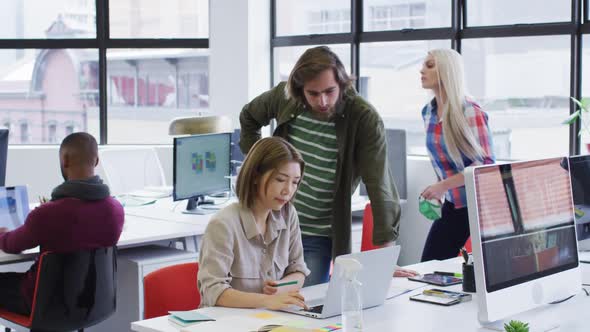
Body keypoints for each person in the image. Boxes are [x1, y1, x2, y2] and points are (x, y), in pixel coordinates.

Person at [239, 46, 413, 285]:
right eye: (313, 93)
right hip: (271, 222)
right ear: (300, 90)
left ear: (341, 83)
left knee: (305, 304)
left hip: (317, 233)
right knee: (260, 300)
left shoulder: (363, 117)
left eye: (329, 91)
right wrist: (258, 166)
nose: (322, 101)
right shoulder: (285, 97)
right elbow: (249, 117)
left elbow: (379, 181)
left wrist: (386, 253)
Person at [0, 132, 124, 315]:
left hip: (42, 302)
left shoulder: (47, 214)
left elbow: (12, 245)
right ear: (96, 160)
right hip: (90, 304)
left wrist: (2, 233)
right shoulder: (116, 210)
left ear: (64, 159)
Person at [198, 137, 310, 310]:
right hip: (228, 323)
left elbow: (298, 271)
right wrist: (267, 301)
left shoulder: (288, 215)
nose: (288, 190)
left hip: (269, 318)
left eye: (294, 182)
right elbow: (213, 290)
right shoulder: (223, 224)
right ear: (255, 176)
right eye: (280, 179)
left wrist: (280, 287)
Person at [419, 49, 495, 262]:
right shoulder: (428, 112)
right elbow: (443, 160)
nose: (422, 70)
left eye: (430, 65)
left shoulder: (470, 111)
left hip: (481, 205)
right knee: (431, 265)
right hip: (455, 203)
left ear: (447, 71)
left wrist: (443, 186)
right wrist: (439, 191)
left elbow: (485, 164)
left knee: (489, 271)